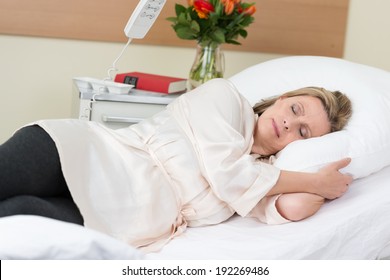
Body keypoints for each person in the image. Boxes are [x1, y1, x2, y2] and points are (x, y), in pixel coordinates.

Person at [0, 78, 352, 252]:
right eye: (295, 110)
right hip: (85, 153)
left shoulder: (264, 176)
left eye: (304, 132)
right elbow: (228, 175)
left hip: (118, 217)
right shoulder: (224, 98)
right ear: (282, 100)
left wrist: (319, 178)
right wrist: (317, 182)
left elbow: (291, 206)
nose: (291, 124)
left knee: (16, 216)